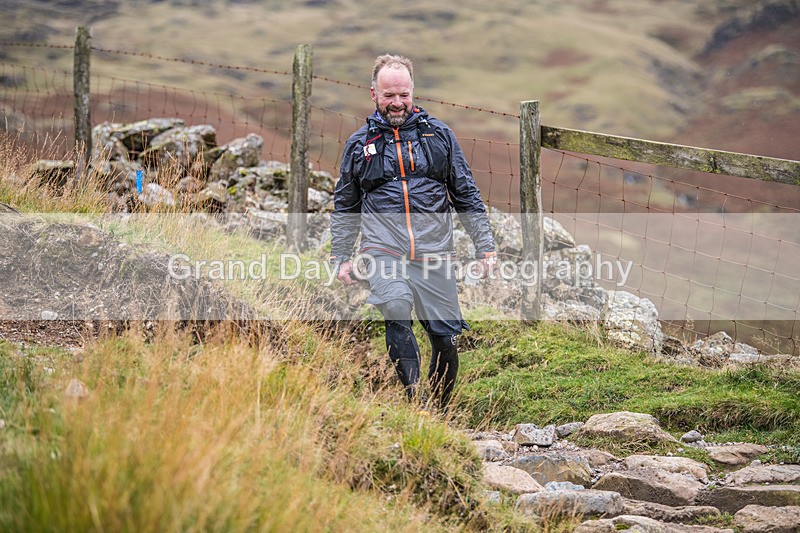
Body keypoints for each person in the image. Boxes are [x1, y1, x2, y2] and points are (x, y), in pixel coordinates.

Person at [330, 54, 496, 410]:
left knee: (445, 339)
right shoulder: (360, 145)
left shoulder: (438, 135)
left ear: (412, 92)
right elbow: (346, 203)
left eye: (403, 94)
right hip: (383, 249)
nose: (396, 103)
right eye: (389, 95)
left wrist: (486, 246)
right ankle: (414, 400)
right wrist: (341, 256)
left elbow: (465, 192)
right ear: (373, 93)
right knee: (394, 305)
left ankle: (437, 411)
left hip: (436, 252)